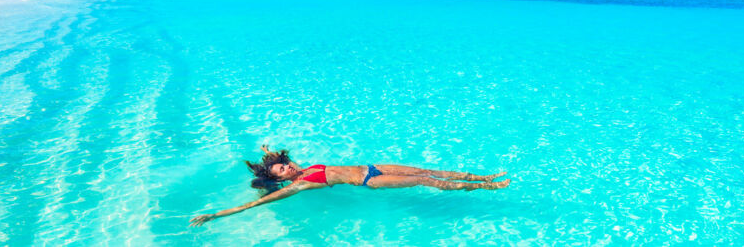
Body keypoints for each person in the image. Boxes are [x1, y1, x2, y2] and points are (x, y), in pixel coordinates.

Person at [190, 145, 510, 226]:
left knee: (427, 169)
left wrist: (266, 152)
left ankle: (481, 178)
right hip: (370, 179)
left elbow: (285, 159)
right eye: (281, 169)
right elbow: (255, 204)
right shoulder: (296, 186)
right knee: (426, 180)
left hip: (372, 165)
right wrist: (217, 215)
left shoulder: (300, 168)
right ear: (279, 179)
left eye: (284, 163)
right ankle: (488, 189)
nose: (287, 166)